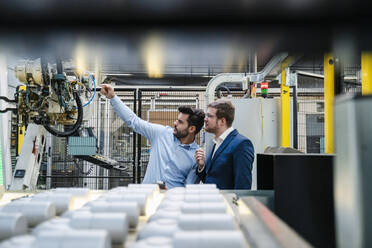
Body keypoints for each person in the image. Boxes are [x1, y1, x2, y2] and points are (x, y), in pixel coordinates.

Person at [100, 84, 205, 189]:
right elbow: (134, 121)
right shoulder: (161, 134)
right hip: (147, 195)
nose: (175, 123)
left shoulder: (196, 156)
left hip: (172, 200)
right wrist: (113, 98)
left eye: (180, 122)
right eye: (177, 119)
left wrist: (172, 190)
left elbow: (189, 187)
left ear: (191, 129)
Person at [195, 99, 254, 189]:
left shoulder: (241, 144)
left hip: (227, 202)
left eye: (210, 116)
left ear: (222, 121)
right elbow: (211, 180)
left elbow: (243, 186)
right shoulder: (216, 143)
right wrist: (202, 166)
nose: (205, 119)